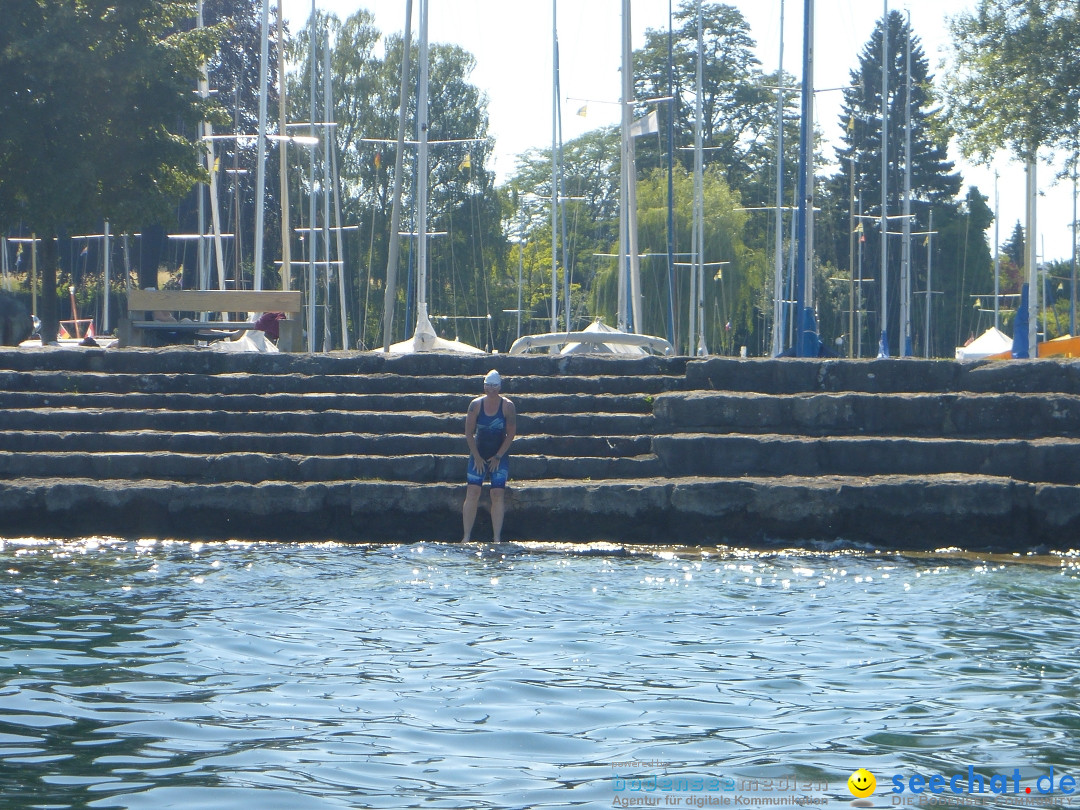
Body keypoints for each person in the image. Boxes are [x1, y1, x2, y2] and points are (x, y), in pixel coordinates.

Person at [462, 369, 516, 543]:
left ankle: (496, 538)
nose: (491, 390)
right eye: (488, 386)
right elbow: (469, 433)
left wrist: (498, 456)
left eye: (495, 386)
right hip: (479, 452)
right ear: (484, 386)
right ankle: (466, 536)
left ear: (500, 387)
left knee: (497, 493)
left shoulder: (508, 406)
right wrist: (477, 457)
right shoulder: (475, 405)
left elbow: (511, 434)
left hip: (498, 454)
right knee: (473, 491)